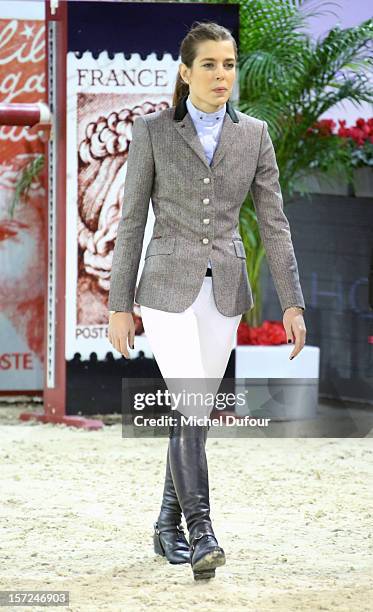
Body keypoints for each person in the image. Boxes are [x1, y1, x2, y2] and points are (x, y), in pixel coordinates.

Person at [108, 21, 306, 580]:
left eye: (229, 64)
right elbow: (130, 224)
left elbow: (275, 224)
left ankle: (165, 524)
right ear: (185, 71)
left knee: (191, 414)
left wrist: (293, 304)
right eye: (211, 65)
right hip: (166, 290)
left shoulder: (256, 135)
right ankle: (201, 531)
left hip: (224, 293)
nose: (223, 75)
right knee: (193, 403)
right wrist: (120, 303)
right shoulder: (151, 131)